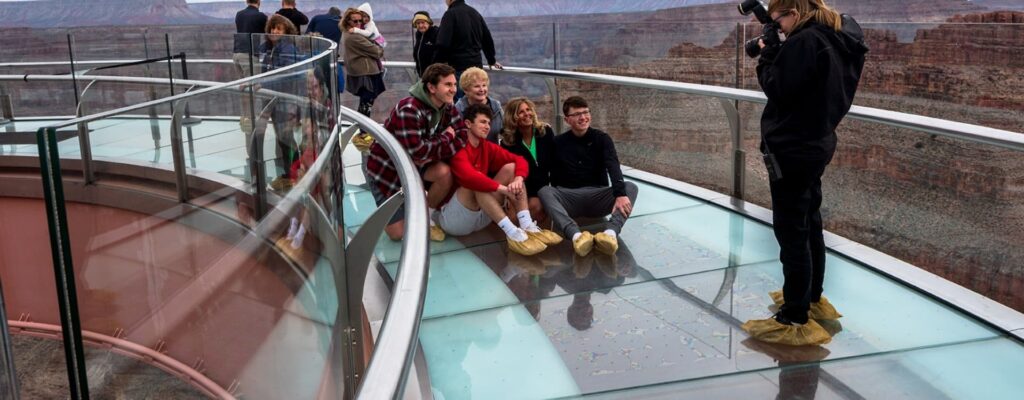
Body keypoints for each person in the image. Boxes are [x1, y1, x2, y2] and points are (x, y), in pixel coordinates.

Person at [740, 0, 867, 346]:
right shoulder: (839, 34)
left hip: (793, 148)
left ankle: (794, 314)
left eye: (780, 19)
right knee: (810, 222)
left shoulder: (806, 42)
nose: (778, 26)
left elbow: (778, 88)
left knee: (791, 231)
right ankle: (810, 296)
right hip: (818, 140)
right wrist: (781, 46)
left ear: (795, 12)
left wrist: (769, 54)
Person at [365, 63, 468, 241]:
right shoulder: (410, 109)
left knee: (444, 173)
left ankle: (425, 216)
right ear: (431, 87)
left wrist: (430, 151)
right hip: (388, 172)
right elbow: (418, 151)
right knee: (398, 234)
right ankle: (401, 205)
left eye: (454, 84)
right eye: (448, 85)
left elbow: (462, 136)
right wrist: (445, 138)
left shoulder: (447, 106)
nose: (453, 89)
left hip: (416, 165)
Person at [441, 104, 560, 255]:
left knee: (511, 168)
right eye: (483, 122)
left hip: (482, 215)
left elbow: (519, 160)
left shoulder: (487, 146)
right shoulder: (458, 146)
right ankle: (512, 233)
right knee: (476, 182)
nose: (487, 127)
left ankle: (527, 226)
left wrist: (518, 178)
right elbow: (470, 177)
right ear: (468, 124)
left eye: (489, 123)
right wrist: (505, 190)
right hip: (456, 220)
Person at [538, 96, 639, 258]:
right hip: (569, 199)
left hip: (598, 196)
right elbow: (543, 171)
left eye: (585, 112)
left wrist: (620, 194)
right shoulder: (557, 143)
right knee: (544, 191)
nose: (583, 117)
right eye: (577, 114)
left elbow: (613, 166)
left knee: (630, 187)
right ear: (567, 119)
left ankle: (610, 233)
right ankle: (576, 236)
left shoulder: (602, 139)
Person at [260, 14, 302, 192]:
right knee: (283, 139)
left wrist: (262, 85)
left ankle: (294, 174)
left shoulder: (287, 49)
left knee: (287, 139)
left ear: (286, 32)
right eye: (272, 28)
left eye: (279, 28)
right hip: (275, 100)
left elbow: (286, 77)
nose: (274, 31)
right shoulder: (271, 49)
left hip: (285, 100)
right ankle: (291, 173)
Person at [499, 97, 555, 223]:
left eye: (528, 110)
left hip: (542, 188)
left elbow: (555, 162)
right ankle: (521, 238)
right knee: (514, 215)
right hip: (520, 188)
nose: (527, 114)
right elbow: (509, 172)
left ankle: (528, 236)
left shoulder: (545, 132)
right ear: (513, 117)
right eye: (521, 112)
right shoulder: (507, 143)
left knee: (536, 207)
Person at [436, 0, 502, 99]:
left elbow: (443, 44)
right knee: (476, 100)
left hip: (458, 68)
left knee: (460, 104)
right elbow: (487, 39)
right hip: (476, 67)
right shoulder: (475, 13)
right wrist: (491, 60)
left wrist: (438, 65)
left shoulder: (450, 14)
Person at [341, 8, 385, 120]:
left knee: (364, 104)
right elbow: (377, 51)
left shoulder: (348, 33)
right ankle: (363, 132)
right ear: (347, 21)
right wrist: (380, 46)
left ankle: (362, 131)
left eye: (361, 20)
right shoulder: (355, 37)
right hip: (366, 74)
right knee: (366, 104)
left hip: (363, 72)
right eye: (355, 21)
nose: (359, 23)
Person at [233, 0, 268, 132]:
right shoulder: (261, 17)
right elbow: (267, 34)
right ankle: (250, 121)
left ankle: (245, 118)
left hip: (236, 54)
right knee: (251, 89)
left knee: (243, 88)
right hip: (249, 56)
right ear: (259, 1)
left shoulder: (239, 14)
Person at [454, 67, 503, 142]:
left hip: (492, 152)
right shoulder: (459, 109)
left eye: (484, 85)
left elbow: (507, 131)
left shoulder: (496, 106)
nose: (482, 90)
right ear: (466, 90)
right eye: (477, 86)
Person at [411, 11, 440, 77]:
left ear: (429, 22)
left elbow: (440, 54)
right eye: (418, 23)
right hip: (423, 75)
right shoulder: (419, 35)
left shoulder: (436, 33)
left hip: (434, 76)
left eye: (423, 22)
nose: (421, 25)